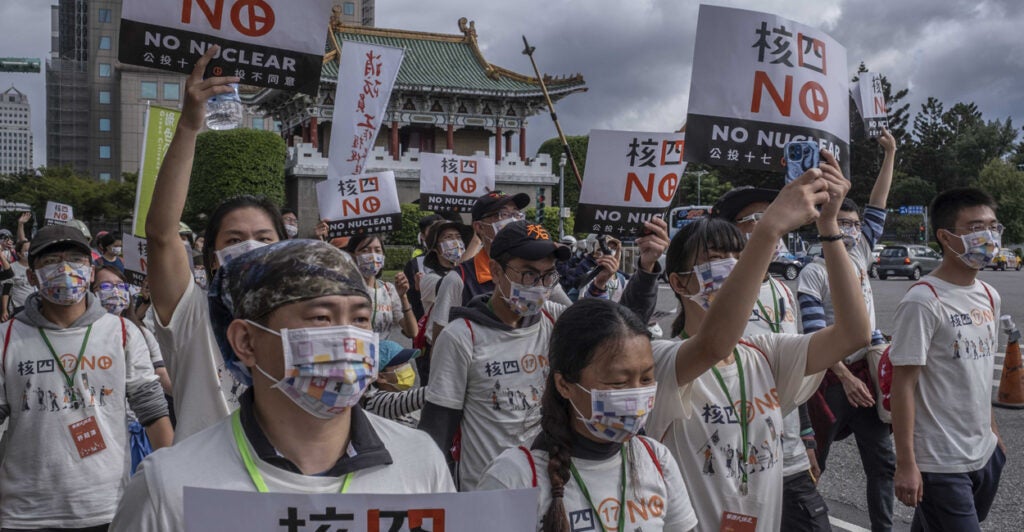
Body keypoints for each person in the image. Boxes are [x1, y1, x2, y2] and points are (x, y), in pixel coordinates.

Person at [110, 239, 454, 530]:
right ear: (245, 341)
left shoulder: (419, 459)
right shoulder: (171, 484)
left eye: (360, 319)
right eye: (321, 317)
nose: (349, 339)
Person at [644, 154, 871, 531]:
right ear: (680, 282)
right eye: (717, 259)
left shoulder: (763, 352)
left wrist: (828, 228)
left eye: (740, 257)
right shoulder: (661, 358)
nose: (733, 268)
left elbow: (854, 334)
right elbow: (713, 344)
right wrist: (767, 231)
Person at [145, 46, 286, 442]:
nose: (251, 247)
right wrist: (190, 127)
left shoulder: (302, 317)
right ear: (212, 254)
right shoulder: (191, 312)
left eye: (264, 238)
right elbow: (160, 234)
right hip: (204, 490)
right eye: (235, 239)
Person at [0, 225, 173, 530]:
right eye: (51, 261)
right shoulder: (7, 337)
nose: (65, 269)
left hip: (107, 507)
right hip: (24, 511)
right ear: (31, 276)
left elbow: (153, 412)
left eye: (76, 260)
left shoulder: (122, 333)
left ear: (91, 272)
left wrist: (173, 482)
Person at [478, 298, 698, 531]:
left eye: (646, 379)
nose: (637, 396)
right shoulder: (513, 479)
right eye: (619, 382)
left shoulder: (656, 459)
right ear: (564, 384)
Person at [714, 185, 830, 531]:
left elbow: (794, 365)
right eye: (756, 219)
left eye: (773, 215)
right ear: (731, 231)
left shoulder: (781, 290)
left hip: (789, 455)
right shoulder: (713, 293)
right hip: (735, 460)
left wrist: (808, 438)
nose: (770, 224)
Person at [890, 188, 1006, 531]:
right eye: (974, 228)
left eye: (993, 226)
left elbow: (979, 373)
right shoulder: (923, 301)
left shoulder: (989, 295)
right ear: (945, 236)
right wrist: (906, 463)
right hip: (941, 462)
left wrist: (994, 433)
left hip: (984, 452)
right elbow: (903, 386)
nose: (988, 237)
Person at [798, 129, 897, 531]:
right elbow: (814, 334)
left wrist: (890, 153)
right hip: (829, 380)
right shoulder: (812, 273)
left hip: (866, 373)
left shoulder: (858, 255)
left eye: (856, 224)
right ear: (825, 222)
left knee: (883, 464)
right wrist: (842, 375)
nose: (854, 229)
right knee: (812, 463)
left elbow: (879, 203)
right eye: (843, 222)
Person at [426, 191, 572, 345]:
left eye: (516, 214)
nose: (512, 220)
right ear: (479, 227)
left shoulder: (541, 275)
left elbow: (572, 315)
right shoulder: (458, 279)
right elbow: (440, 340)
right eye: (502, 214)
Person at [414, 219, 474, 384]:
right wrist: (476, 242)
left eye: (458, 237)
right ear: (435, 248)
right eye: (448, 238)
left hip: (465, 349)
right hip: (438, 350)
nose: (455, 242)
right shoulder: (429, 280)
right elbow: (455, 281)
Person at [343, 234, 417, 340]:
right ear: (352, 255)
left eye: (377, 250)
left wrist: (403, 297)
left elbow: (412, 332)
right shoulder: (344, 290)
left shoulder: (388, 289)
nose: (372, 256)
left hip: (382, 354)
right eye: (365, 251)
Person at [1, 239, 34, 321]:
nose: (29, 252)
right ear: (19, 254)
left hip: (36, 305)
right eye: (26, 250)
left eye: (31, 249)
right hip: (20, 307)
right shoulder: (13, 267)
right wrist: (4, 310)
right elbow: (6, 289)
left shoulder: (36, 266)